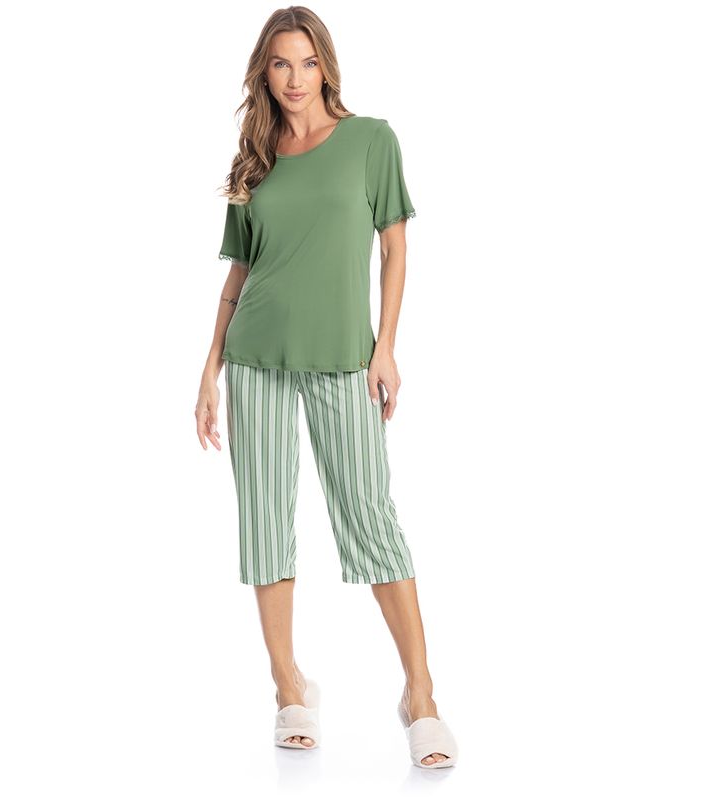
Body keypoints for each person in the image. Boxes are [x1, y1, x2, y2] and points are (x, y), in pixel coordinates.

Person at [195, 7, 458, 769]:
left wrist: (387, 348)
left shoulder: (371, 141)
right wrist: (209, 367)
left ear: (326, 67)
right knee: (265, 524)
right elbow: (239, 274)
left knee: (371, 519)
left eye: (307, 62)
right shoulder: (255, 160)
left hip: (346, 359)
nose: (295, 78)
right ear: (264, 72)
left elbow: (395, 249)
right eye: (280, 64)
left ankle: (421, 695)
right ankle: (288, 686)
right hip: (255, 360)